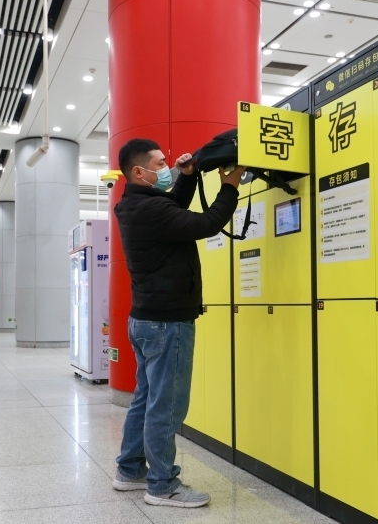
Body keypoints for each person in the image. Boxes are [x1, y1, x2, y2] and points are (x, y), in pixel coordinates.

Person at [112, 139, 243, 508]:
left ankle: (130, 469)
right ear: (140, 171)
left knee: (146, 399)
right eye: (161, 162)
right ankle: (162, 485)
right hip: (167, 323)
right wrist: (230, 186)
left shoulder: (136, 203)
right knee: (166, 406)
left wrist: (185, 179)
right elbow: (206, 223)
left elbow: (174, 211)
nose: (167, 165)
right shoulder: (149, 208)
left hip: (146, 320)